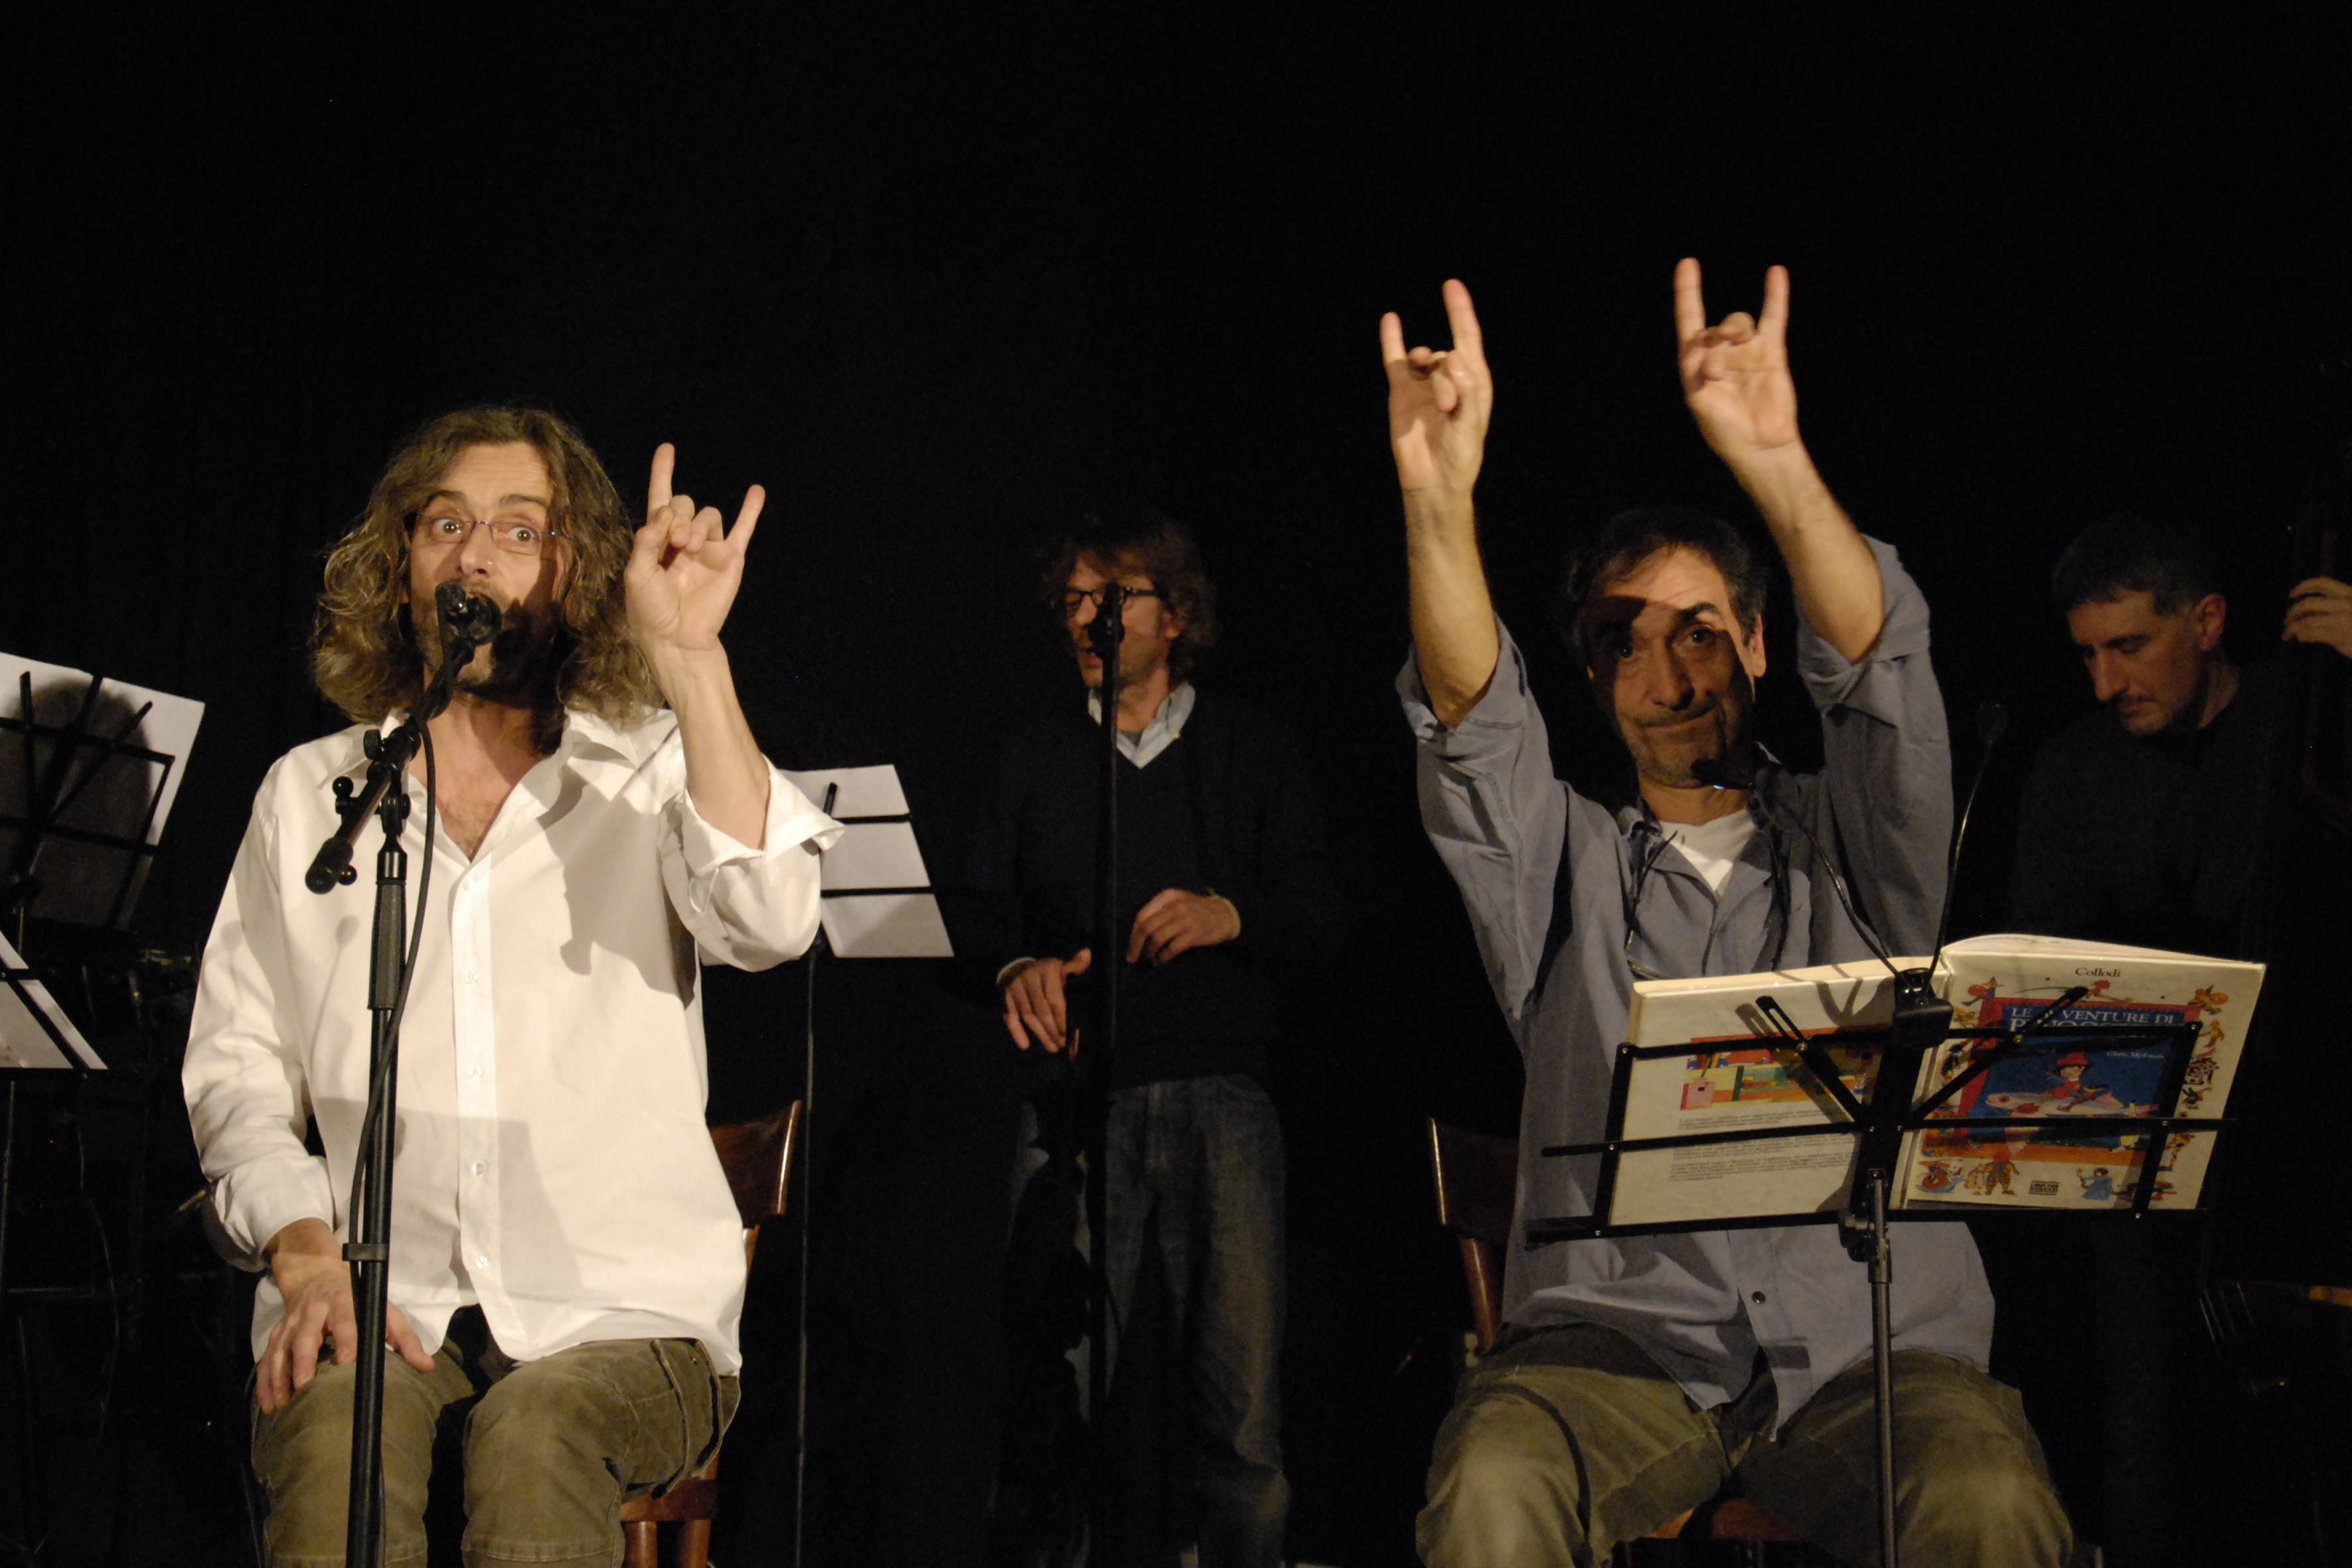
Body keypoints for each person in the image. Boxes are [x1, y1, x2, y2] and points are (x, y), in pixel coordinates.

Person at [1384, 264, 2072, 1567]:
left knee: (1986, 1497)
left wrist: (1773, 459)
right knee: (1490, 1476)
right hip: (1618, 1349)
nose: (1667, 671)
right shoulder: (1563, 866)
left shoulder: (1858, 849)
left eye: (1698, 630)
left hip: (1872, 1351)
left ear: (1757, 643)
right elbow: (1472, 729)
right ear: (1594, 680)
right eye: (1624, 641)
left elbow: (1877, 670)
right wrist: (1436, 496)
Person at [182, 406, 840, 1566]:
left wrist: (690, 659)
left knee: (535, 1433)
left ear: (573, 572)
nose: (475, 557)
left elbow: (773, 919)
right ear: (402, 565)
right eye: (446, 525)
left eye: (519, 531)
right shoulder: (313, 796)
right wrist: (301, 1245)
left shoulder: (650, 762)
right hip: (387, 1300)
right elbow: (237, 1065)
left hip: (625, 1312)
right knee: (332, 1432)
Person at [947, 507, 1341, 1568]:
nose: (1090, 619)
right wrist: (1014, 967)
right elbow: (968, 913)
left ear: (1175, 615)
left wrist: (1232, 913)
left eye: (1113, 597)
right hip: (1077, 1107)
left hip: (1225, 1102)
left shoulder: (1250, 747)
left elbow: (1326, 913)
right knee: (1048, 1409)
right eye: (1075, 599)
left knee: (1241, 1423)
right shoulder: (1035, 754)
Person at [2006, 515, 2352, 1565]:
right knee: (2148, 1450)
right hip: (2151, 1171)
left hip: (2316, 1141)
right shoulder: (2074, 771)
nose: (2106, 682)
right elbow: (2047, 983)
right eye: (2088, 653)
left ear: (2206, 623)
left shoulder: (2312, 722)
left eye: (2130, 646)